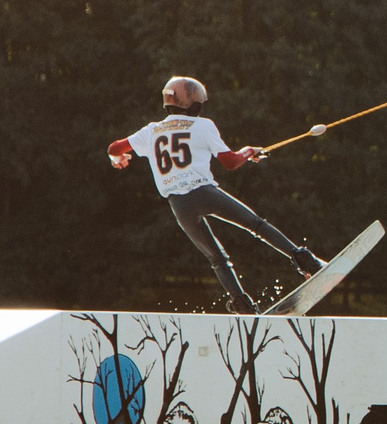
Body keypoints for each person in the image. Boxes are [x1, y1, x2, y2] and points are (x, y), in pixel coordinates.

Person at [108, 76, 324, 310]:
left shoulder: (151, 131)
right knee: (256, 225)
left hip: (179, 205)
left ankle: (242, 305)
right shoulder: (203, 125)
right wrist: (248, 151)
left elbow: (114, 148)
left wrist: (117, 158)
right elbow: (230, 162)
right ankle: (306, 262)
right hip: (204, 193)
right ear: (195, 104)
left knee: (217, 259)